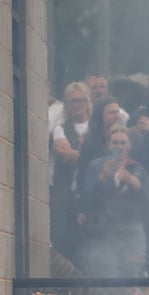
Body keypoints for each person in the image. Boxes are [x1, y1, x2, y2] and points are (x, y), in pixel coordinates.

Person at [76, 125, 149, 278]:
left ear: (129, 144)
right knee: (105, 275)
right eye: (115, 143)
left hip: (131, 230)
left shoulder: (137, 168)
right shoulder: (96, 166)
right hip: (103, 231)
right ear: (108, 144)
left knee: (132, 276)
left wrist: (132, 181)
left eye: (123, 143)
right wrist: (103, 177)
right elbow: (88, 200)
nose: (119, 147)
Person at [50, 82, 91, 257]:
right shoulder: (61, 127)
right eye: (71, 101)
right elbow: (63, 154)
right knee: (62, 239)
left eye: (80, 100)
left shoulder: (95, 128)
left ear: (87, 101)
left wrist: (81, 157)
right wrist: (90, 158)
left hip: (89, 193)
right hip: (64, 193)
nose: (76, 105)